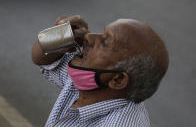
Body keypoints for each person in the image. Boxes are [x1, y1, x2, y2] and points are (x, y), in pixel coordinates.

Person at [32, 15, 169, 127]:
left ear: (118, 80)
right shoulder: (90, 82)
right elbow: (42, 59)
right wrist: (60, 35)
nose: (88, 37)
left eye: (104, 43)